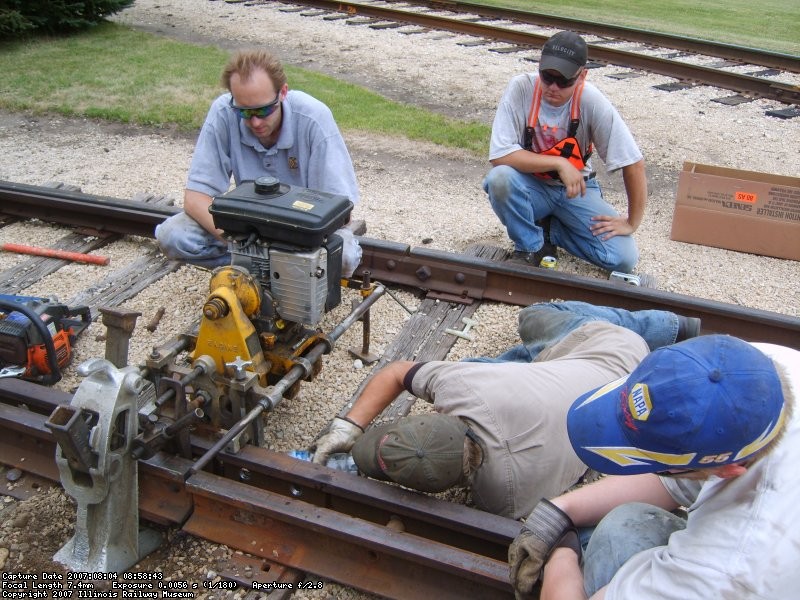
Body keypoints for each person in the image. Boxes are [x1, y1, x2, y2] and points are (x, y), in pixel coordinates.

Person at [311, 301, 700, 519]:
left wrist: (348, 427)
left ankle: (664, 326)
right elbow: (398, 373)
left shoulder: (503, 502)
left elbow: (394, 373)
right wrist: (349, 427)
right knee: (531, 320)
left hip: (607, 347)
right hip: (606, 368)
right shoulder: (464, 387)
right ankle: (660, 333)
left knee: (535, 316)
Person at [508, 334, 798, 600]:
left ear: (728, 470)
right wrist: (560, 511)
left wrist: (561, 552)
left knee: (621, 535)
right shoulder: (757, 371)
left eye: (659, 463)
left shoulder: (728, 570)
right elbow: (675, 481)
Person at [155, 49, 362, 276]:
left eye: (263, 110)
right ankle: (259, 273)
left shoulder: (314, 118)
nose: (255, 121)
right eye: (244, 111)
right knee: (172, 236)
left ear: (283, 92)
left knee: (344, 258)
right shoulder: (223, 113)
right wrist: (244, 246)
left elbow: (342, 210)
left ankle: (276, 274)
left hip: (305, 232)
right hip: (247, 231)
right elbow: (195, 198)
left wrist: (290, 246)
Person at [484, 30, 646, 272]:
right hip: (532, 187)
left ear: (582, 76)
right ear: (538, 66)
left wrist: (632, 222)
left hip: (577, 189)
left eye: (564, 81)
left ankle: (551, 231)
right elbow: (500, 156)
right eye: (547, 77)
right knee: (499, 180)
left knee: (622, 259)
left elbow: (632, 162)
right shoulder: (520, 88)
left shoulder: (591, 100)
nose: (553, 87)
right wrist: (560, 163)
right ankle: (530, 246)